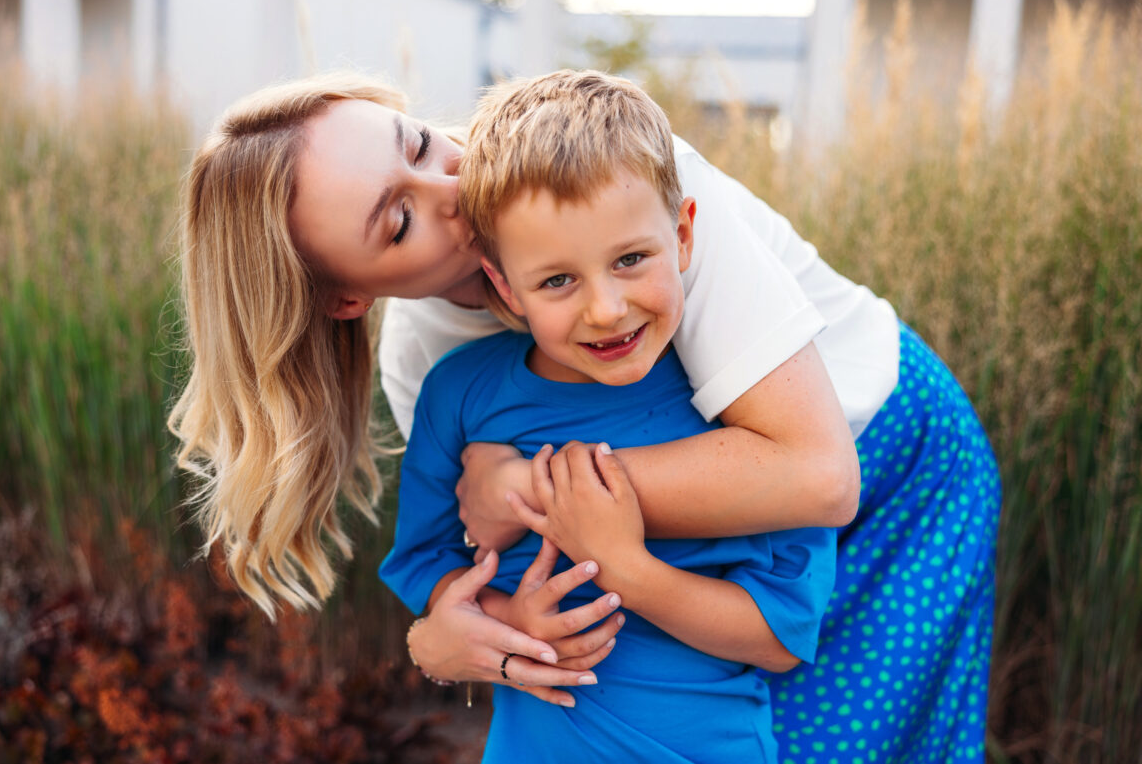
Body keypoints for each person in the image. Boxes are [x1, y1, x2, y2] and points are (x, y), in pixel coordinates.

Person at [168, 69, 1000, 763]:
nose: (454, 187)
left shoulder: (615, 175)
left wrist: (531, 483)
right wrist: (443, 639)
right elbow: (501, 571)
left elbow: (818, 477)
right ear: (348, 296)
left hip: (889, 460)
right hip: (705, 550)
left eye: (419, 141)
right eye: (399, 219)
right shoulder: (428, 366)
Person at [380, 70, 835, 762]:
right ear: (504, 285)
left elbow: (781, 637)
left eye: (630, 259)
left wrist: (629, 566)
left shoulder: (743, 422)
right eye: (557, 279)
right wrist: (509, 621)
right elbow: (428, 562)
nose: (606, 308)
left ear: (683, 236)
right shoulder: (459, 398)